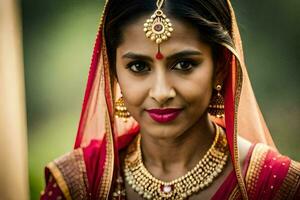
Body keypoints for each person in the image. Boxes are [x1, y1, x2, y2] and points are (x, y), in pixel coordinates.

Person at [40, 0, 300, 199]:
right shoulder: (80, 184)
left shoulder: (275, 184)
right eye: (139, 67)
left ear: (220, 67)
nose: (161, 92)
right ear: (112, 70)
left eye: (184, 64)